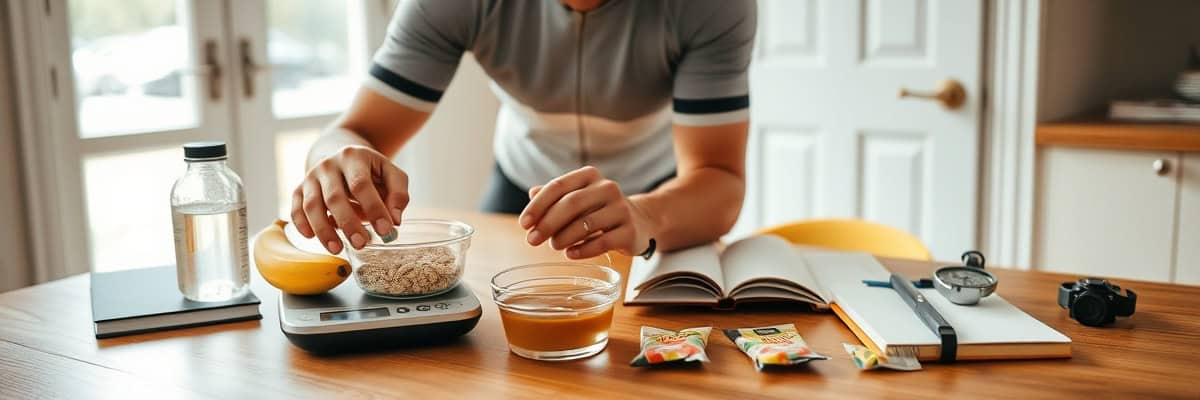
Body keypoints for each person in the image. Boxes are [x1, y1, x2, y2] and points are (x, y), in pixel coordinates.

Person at [292, 0, 756, 261]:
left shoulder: (713, 6)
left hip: (660, 191)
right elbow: (353, 132)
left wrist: (647, 216)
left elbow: (720, 177)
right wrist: (337, 159)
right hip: (522, 181)